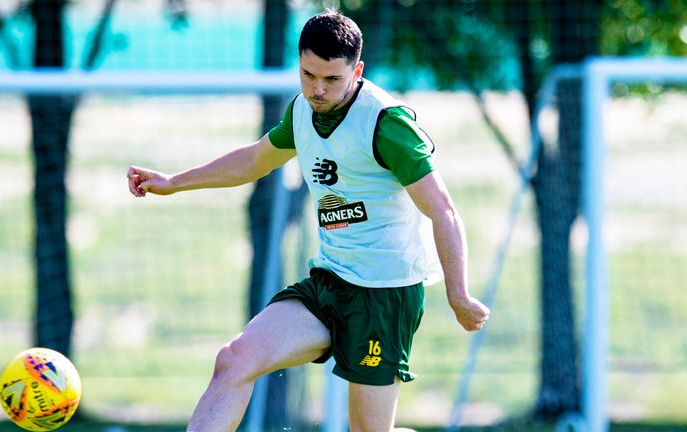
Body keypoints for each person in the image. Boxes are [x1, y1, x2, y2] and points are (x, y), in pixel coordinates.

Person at [127, 9, 490, 432]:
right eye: (307, 74)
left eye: (331, 79)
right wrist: (173, 182)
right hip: (329, 280)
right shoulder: (302, 111)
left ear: (357, 70)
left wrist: (458, 293)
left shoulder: (387, 124)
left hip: (384, 296)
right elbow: (255, 159)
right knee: (234, 361)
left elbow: (442, 209)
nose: (317, 89)